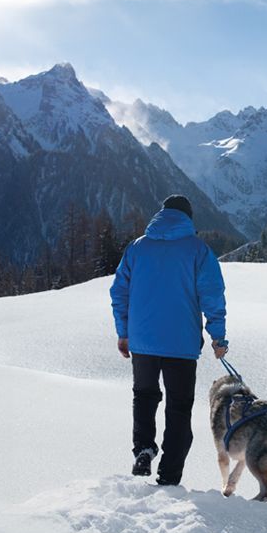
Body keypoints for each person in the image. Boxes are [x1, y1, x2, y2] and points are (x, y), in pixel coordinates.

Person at [109, 194, 228, 486]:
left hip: (142, 342)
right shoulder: (198, 250)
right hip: (181, 344)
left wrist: (123, 333)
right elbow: (212, 296)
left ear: (161, 215)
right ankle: (170, 475)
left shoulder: (137, 248)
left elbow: (119, 292)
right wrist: (218, 337)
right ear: (188, 218)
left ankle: (144, 450)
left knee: (144, 397)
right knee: (178, 406)